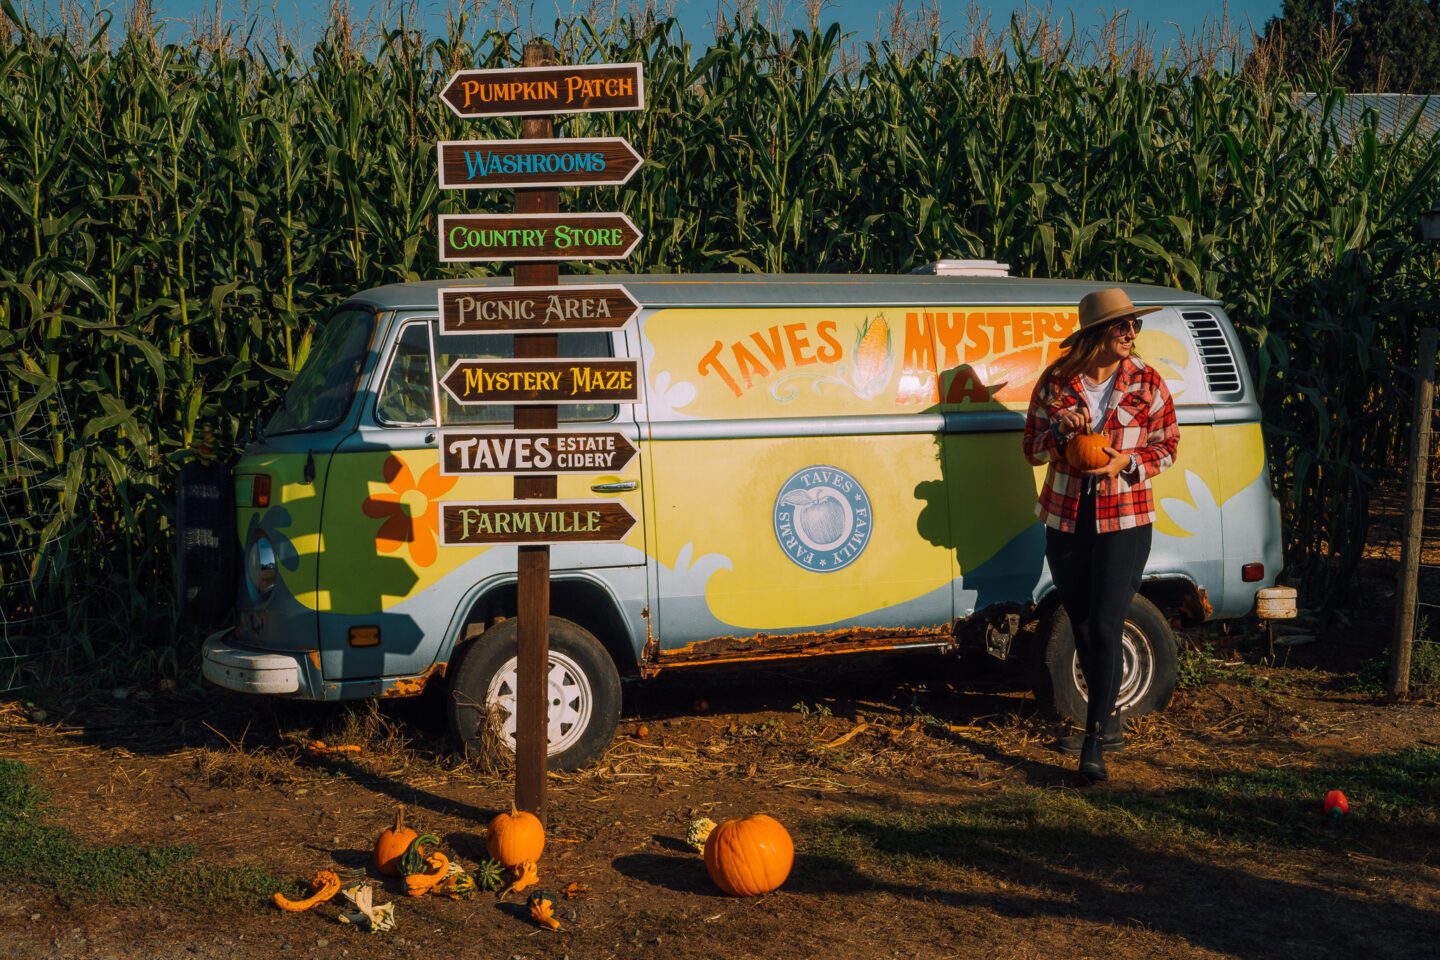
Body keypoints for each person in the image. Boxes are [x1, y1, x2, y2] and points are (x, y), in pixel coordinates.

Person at [1022, 288, 1179, 781]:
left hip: (1126, 519)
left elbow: (1169, 446)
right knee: (1084, 624)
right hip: (1066, 518)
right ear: (1095, 334)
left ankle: (1094, 745)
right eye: (1121, 326)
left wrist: (1127, 461)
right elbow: (1031, 448)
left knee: (1108, 624)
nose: (1131, 333)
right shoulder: (1056, 383)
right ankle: (1107, 719)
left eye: (1134, 325)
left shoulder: (1147, 382)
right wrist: (1061, 434)